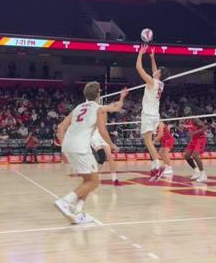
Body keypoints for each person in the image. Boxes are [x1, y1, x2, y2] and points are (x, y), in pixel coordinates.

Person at [55, 82, 128, 224]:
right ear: (99, 94)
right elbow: (103, 129)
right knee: (94, 182)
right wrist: (122, 97)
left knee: (88, 181)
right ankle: (65, 201)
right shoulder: (99, 108)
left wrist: (65, 146)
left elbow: (60, 127)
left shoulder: (77, 108)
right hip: (81, 147)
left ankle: (79, 212)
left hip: (68, 145)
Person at [136, 44, 170, 181]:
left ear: (159, 75)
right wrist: (152, 58)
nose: (154, 72)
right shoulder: (160, 83)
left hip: (149, 115)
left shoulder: (152, 82)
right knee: (148, 141)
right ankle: (155, 166)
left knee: (148, 141)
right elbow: (155, 71)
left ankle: (158, 165)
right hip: (155, 115)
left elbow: (138, 68)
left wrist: (140, 54)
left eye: (157, 71)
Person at [91, 112, 121, 186]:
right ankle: (94, 176)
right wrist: (113, 145)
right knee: (102, 156)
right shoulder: (96, 115)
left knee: (110, 156)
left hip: (102, 135)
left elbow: (104, 131)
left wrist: (111, 142)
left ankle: (115, 179)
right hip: (94, 136)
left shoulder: (104, 118)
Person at [184, 116, 207, 182]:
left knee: (195, 155)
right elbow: (188, 130)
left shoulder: (194, 119)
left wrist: (194, 132)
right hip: (193, 140)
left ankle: (203, 174)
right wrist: (185, 129)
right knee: (187, 155)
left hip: (200, 138)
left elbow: (204, 128)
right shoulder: (186, 120)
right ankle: (196, 171)